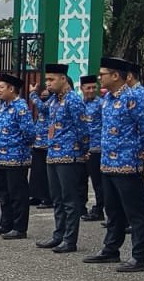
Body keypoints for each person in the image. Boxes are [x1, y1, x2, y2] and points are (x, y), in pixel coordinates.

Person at [85, 57, 144, 272]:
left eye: (103, 74)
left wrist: (140, 151)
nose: (100, 78)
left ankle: (139, 257)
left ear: (116, 76)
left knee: (136, 212)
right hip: (108, 163)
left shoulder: (134, 97)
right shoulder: (107, 99)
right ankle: (111, 249)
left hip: (127, 163)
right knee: (113, 210)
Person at [39, 64, 88, 253]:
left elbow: (83, 129)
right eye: (47, 80)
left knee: (69, 200)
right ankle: (58, 235)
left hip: (69, 155)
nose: (48, 83)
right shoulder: (54, 100)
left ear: (63, 79)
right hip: (53, 153)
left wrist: (82, 150)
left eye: (51, 79)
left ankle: (70, 239)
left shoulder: (73, 100)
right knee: (57, 198)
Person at [0, 74, 34, 239]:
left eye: (1, 87)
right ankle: (5, 224)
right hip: (1, 157)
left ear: (11, 89)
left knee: (17, 195)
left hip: (16, 158)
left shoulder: (20, 107)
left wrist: (18, 146)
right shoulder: (3, 106)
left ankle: (19, 228)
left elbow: (29, 133)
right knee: (4, 194)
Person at [80, 75, 106, 222]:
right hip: (81, 149)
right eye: (88, 88)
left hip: (96, 149)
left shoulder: (101, 104)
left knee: (98, 182)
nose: (91, 90)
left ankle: (99, 209)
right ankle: (80, 207)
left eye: (93, 88)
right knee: (80, 180)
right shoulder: (78, 104)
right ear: (81, 88)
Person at [29, 81, 52, 209]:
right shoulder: (46, 100)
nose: (45, 91)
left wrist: (33, 94)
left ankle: (47, 198)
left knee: (45, 173)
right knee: (37, 172)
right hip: (38, 142)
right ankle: (36, 195)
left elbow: (43, 108)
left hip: (48, 143)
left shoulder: (54, 100)